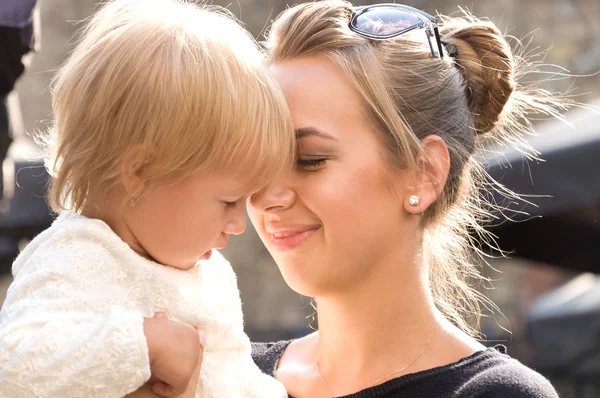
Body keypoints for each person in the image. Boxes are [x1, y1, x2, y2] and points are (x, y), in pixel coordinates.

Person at [246, 1, 564, 397]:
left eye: (309, 160)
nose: (264, 196)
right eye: (257, 162)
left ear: (424, 173)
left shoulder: (494, 394)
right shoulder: (224, 376)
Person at [0, 0, 293, 397]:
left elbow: (237, 377)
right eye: (227, 202)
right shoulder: (76, 258)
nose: (240, 224)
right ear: (140, 174)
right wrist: (142, 343)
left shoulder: (211, 277)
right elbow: (14, 365)